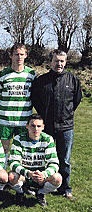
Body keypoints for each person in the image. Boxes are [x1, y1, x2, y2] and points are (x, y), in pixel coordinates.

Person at [31, 49, 82, 200]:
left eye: (62, 61)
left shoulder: (73, 80)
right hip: (46, 127)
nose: (59, 64)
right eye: (56, 61)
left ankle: (65, 188)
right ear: (50, 62)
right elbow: (36, 101)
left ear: (65, 62)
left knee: (64, 159)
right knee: (43, 158)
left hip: (65, 127)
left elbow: (77, 100)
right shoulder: (41, 81)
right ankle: (43, 185)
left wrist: (66, 114)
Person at [8, 114, 62, 207]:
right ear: (27, 126)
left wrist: (43, 174)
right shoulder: (19, 138)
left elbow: (54, 163)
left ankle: (41, 193)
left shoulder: (48, 139)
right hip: (25, 175)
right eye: (33, 126)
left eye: (39, 126)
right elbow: (13, 162)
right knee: (12, 176)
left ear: (43, 127)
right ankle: (20, 192)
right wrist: (28, 173)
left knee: (58, 178)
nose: (35, 129)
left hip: (41, 177)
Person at [0, 43, 36, 158]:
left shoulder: (31, 74)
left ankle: (21, 175)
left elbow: (35, 96)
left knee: (22, 151)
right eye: (16, 54)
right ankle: (2, 175)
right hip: (5, 120)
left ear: (26, 55)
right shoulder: (2, 75)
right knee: (3, 150)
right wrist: (5, 111)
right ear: (11, 56)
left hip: (24, 120)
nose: (19, 57)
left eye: (22, 54)